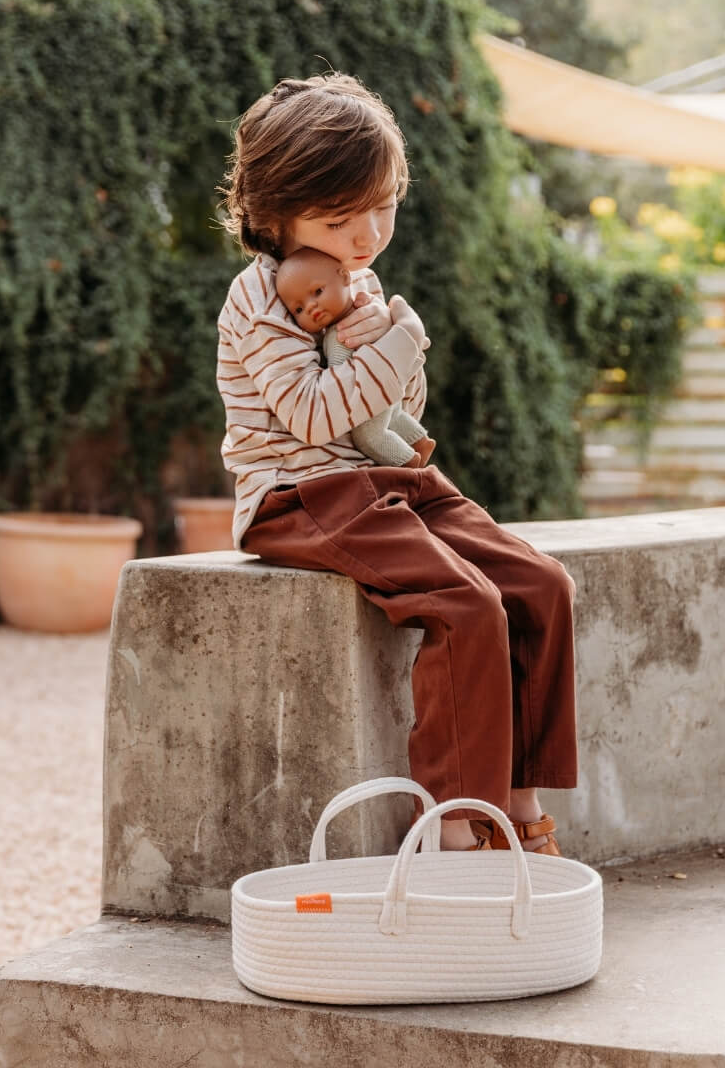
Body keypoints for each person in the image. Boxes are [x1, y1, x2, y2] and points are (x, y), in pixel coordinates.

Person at [216, 73, 577, 855]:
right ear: (272, 214)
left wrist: (387, 349)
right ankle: (453, 825)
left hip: (382, 480)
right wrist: (402, 338)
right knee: (466, 603)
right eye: (342, 217)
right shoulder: (258, 300)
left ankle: (520, 800)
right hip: (300, 493)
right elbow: (314, 415)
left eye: (383, 207)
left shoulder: (361, 280)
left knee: (541, 584)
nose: (368, 234)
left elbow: (390, 403)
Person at [274, 246, 436, 469]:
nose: (311, 307)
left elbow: (342, 380)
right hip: (391, 383)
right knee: (394, 415)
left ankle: (408, 462)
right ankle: (420, 441)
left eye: (318, 292)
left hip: (371, 391)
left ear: (344, 277)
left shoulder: (339, 335)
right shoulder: (372, 311)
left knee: (369, 437)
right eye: (299, 309)